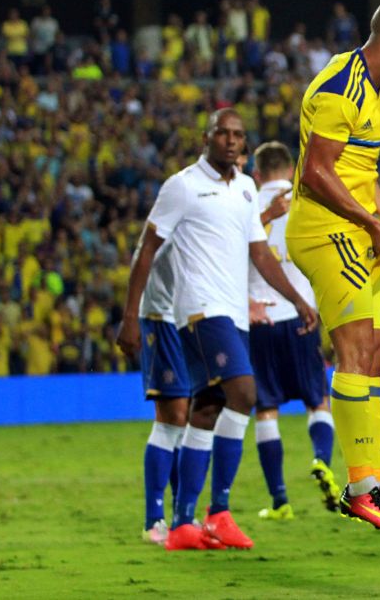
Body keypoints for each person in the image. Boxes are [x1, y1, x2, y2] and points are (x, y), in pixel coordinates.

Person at [117, 108, 317, 551]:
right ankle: (217, 512)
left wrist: (299, 300)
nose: (230, 141)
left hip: (233, 312)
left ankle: (185, 523)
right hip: (196, 311)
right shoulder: (182, 186)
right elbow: (145, 250)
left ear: (245, 146)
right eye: (222, 134)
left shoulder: (246, 189)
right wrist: (130, 317)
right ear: (206, 138)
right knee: (242, 393)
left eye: (238, 135)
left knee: (205, 407)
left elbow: (261, 255)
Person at [285, 0, 380, 534]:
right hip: (326, 230)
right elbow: (316, 176)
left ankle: (379, 483)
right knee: (353, 350)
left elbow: (358, 171)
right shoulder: (339, 87)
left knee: (372, 351)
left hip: (353, 227)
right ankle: (362, 487)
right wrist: (375, 227)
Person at [247, 141, 341, 521]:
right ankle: (321, 460)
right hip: (302, 316)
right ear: (289, 169)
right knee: (317, 399)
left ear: (257, 173)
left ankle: (280, 500)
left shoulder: (245, 203)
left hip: (260, 318)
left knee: (266, 408)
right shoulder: (308, 199)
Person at [137, 238, 190, 546]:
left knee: (190, 419)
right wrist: (131, 317)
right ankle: (153, 519)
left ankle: (182, 516)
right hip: (162, 318)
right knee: (172, 416)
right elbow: (142, 257)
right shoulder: (177, 202)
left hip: (188, 316)